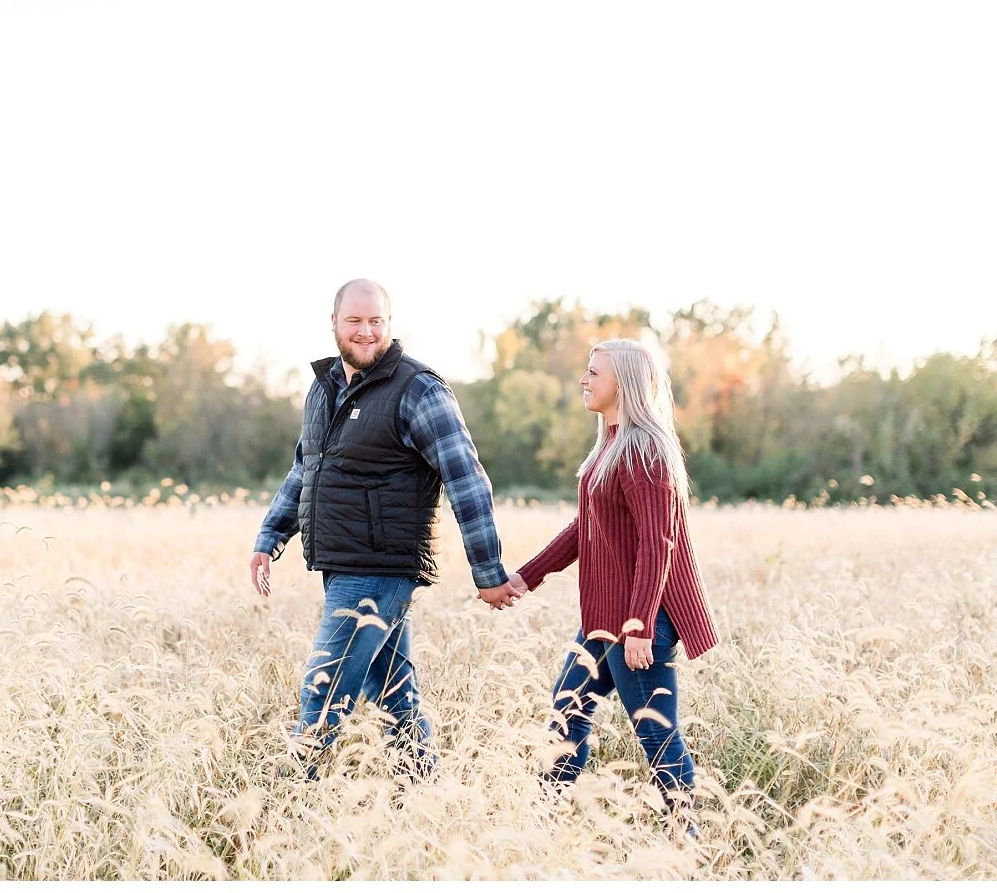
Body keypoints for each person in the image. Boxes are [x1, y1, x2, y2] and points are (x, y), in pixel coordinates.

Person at [249, 278, 523, 779]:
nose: (366, 331)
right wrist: (270, 537)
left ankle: (281, 809)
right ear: (333, 323)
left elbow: (465, 477)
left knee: (323, 692)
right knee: (395, 696)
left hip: (380, 568)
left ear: (390, 325)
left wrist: (487, 569)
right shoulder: (324, 386)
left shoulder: (418, 389)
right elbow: (305, 468)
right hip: (341, 564)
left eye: (376, 321)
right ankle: (426, 792)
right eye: (354, 320)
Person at [507, 338, 719, 831]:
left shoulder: (644, 450)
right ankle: (543, 825)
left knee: (658, 740)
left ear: (622, 383)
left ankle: (691, 844)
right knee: (566, 717)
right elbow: (586, 528)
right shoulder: (611, 442)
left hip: (637, 622)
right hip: (604, 620)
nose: (583, 379)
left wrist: (640, 624)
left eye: (593, 373)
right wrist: (526, 575)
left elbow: (657, 542)